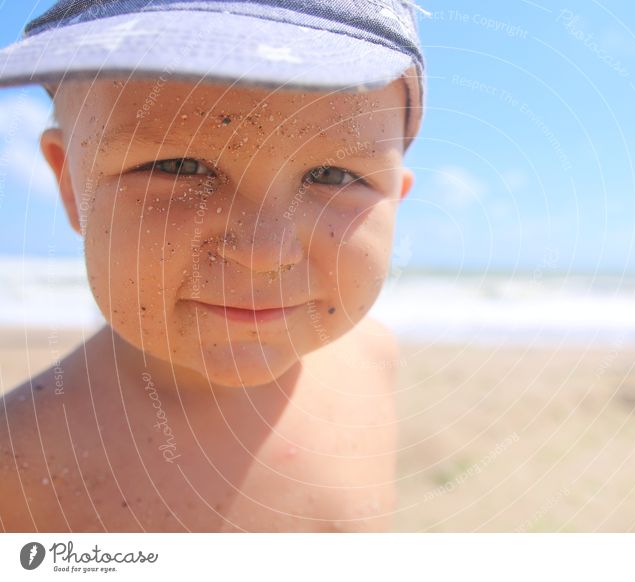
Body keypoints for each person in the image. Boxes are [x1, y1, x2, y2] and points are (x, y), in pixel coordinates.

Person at [0, 0, 425, 532]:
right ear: (69, 186)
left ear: (396, 195)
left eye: (334, 175)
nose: (265, 251)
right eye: (178, 166)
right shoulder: (22, 461)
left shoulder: (374, 358)